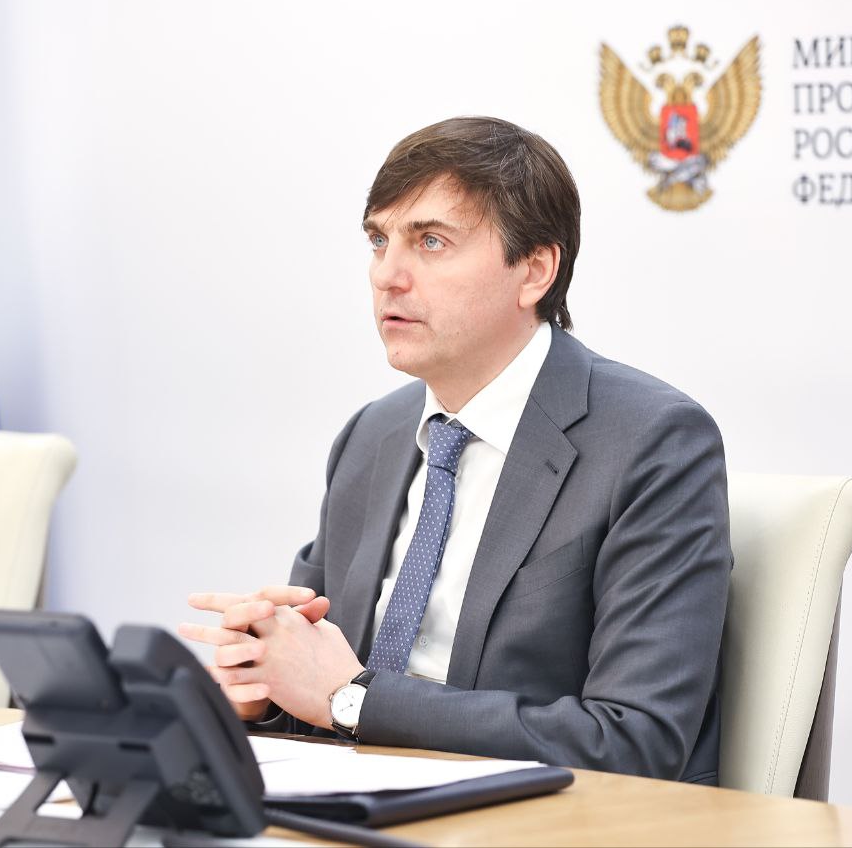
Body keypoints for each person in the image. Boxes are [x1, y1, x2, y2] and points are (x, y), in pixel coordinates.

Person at [179, 116, 732, 782]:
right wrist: (266, 689)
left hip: (538, 817)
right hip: (355, 802)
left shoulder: (653, 442)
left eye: (431, 242)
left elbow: (633, 739)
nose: (387, 275)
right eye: (379, 240)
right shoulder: (371, 437)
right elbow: (325, 688)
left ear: (535, 270)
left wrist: (354, 698)